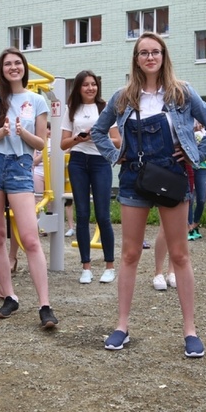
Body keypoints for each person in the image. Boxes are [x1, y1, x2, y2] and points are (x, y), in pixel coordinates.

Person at [92, 31, 206, 356]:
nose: (150, 57)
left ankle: (190, 330)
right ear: (136, 59)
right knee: (129, 254)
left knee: (180, 255)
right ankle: (122, 326)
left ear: (164, 56)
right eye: (144, 52)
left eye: (155, 52)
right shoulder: (123, 97)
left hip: (171, 174)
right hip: (133, 177)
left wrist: (194, 154)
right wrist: (115, 156)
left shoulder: (182, 93)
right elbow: (98, 131)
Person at [0, 47, 59, 328]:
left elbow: (41, 143)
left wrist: (23, 133)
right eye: (8, 64)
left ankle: (45, 305)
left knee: (30, 238)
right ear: (2, 70)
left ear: (24, 67)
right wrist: (2, 131)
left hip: (21, 166)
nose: (13, 67)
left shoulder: (37, 100)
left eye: (17, 63)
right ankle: (9, 295)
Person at [61, 70, 119, 284]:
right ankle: (86, 267)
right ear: (78, 87)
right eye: (85, 84)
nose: (90, 88)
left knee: (103, 215)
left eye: (93, 84)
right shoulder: (71, 109)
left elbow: (118, 141)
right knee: (82, 214)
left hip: (100, 161)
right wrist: (79, 138)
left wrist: (98, 137)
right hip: (78, 161)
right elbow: (63, 144)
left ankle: (109, 266)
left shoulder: (105, 108)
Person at [187, 122, 206, 241]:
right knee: (189, 197)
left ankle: (196, 223)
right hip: (189, 165)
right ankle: (189, 226)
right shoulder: (188, 126)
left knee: (201, 199)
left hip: (202, 167)